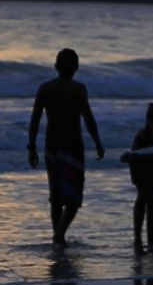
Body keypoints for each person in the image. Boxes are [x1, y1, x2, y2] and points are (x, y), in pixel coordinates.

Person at [28, 48, 105, 246]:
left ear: (55, 66)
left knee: (55, 195)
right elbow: (88, 117)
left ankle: (58, 235)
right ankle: (59, 235)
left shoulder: (45, 88)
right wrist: (97, 141)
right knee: (73, 197)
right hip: (72, 146)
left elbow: (35, 119)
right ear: (76, 67)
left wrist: (32, 146)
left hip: (51, 146)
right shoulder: (79, 89)